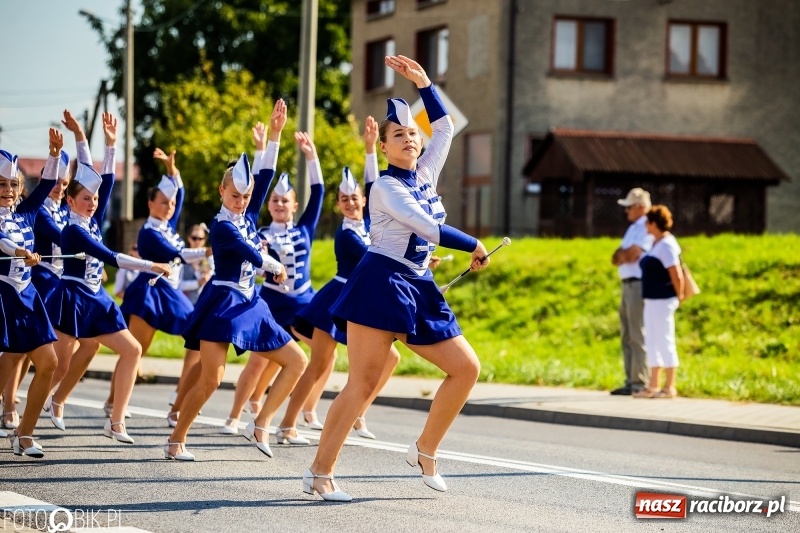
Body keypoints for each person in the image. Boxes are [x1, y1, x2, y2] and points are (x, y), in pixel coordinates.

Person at [303, 55, 490, 501]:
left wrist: (425, 83)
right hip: (380, 283)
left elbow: (444, 128)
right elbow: (425, 227)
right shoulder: (384, 188)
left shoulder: (426, 173)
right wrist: (473, 245)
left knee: (466, 369)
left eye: (411, 134)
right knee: (362, 383)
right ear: (383, 148)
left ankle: (426, 450)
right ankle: (319, 472)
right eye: (398, 136)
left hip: (418, 284)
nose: (408, 138)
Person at [170, 100, 307, 461]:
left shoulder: (245, 212)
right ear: (221, 191)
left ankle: (260, 424)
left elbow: (263, 177)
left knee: (297, 361)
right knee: (211, 379)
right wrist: (276, 266)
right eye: (235, 195)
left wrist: (275, 134)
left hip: (252, 302)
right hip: (224, 303)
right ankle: (176, 438)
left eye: (246, 197)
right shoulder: (221, 226)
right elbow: (253, 256)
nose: (242, 201)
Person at [46, 113, 172, 443]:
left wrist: (110, 145)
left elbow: (105, 180)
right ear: (70, 200)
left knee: (130, 351)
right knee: (57, 365)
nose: (92, 203)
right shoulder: (73, 230)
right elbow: (111, 258)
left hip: (97, 297)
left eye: (95, 199)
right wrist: (151, 265)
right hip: (72, 297)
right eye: (85, 199)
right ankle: (23, 420)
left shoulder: (91, 218)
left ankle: (115, 422)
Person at [288, 117, 401, 441]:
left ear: (363, 202)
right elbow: (372, 257)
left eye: (356, 199)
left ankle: (359, 414)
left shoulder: (368, 221)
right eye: (345, 200)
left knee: (389, 359)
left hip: (358, 301)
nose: (352, 202)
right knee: (320, 364)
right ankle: (287, 423)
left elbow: (372, 184)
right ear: (338, 205)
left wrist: (369, 149)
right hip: (334, 301)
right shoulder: (346, 235)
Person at [219, 127, 322, 436]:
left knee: (319, 356)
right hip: (272, 302)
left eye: (285, 201)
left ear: (293, 205)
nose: (278, 204)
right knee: (258, 363)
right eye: (274, 200)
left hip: (303, 302)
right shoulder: (259, 232)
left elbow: (318, 193)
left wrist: (311, 157)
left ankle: (294, 418)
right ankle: (234, 416)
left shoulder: (304, 229)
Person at [116, 148, 211, 428]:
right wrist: (210, 250)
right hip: (149, 293)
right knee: (135, 350)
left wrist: (172, 170)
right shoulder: (149, 233)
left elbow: (179, 195)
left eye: (170, 203)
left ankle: (178, 405)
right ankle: (113, 403)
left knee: (198, 336)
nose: (169, 206)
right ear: (150, 204)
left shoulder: (168, 224)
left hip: (170, 294)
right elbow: (177, 254)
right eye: (163, 202)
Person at [0, 130, 63, 457]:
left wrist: (53, 154)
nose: (8, 190)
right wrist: (20, 251)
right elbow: (3, 242)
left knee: (49, 362)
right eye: (1, 184)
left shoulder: (27, 213)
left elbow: (46, 187)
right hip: (2, 298)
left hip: (26, 296)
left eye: (12, 184)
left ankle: (24, 435)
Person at [634, 205, 684, 399]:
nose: (645, 225)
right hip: (651, 299)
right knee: (652, 340)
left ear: (654, 223)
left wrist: (678, 297)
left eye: (647, 222)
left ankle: (669, 386)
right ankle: (653, 384)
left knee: (665, 340)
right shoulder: (655, 243)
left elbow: (675, 273)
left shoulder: (668, 244)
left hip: (664, 299)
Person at [610, 187, 654, 395]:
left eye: (629, 207)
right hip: (627, 283)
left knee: (637, 333)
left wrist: (622, 255)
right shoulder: (632, 228)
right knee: (627, 333)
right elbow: (617, 257)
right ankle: (630, 380)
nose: (626, 211)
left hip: (638, 283)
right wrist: (622, 254)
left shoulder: (646, 226)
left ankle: (639, 381)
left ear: (641, 207)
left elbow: (632, 254)